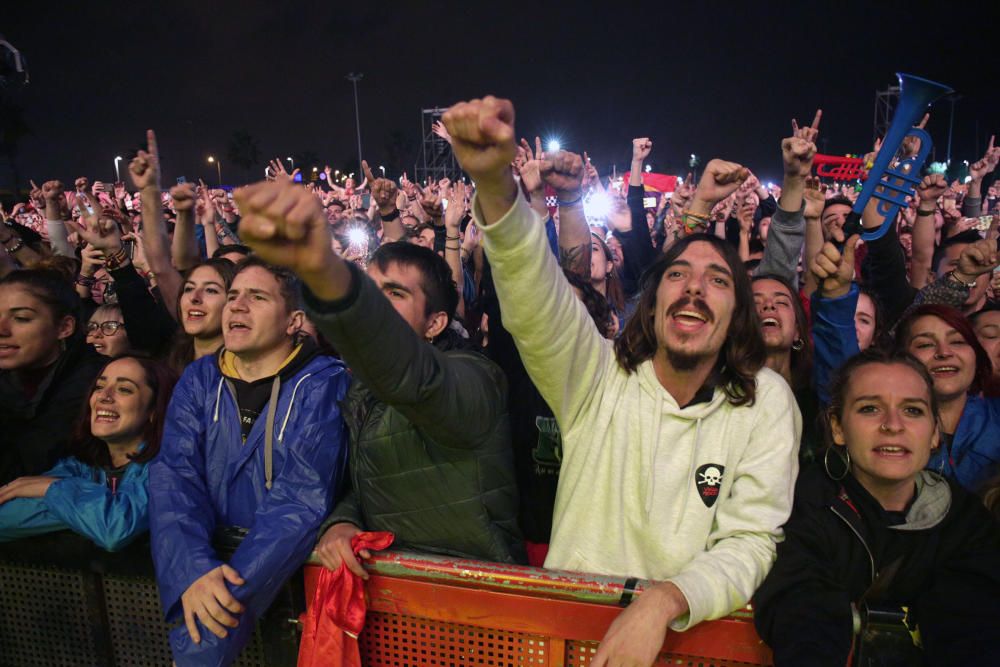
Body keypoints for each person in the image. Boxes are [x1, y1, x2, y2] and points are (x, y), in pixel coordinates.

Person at [440, 96, 800, 665]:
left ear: (737, 316)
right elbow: (536, 299)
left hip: (690, 644)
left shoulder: (766, 403)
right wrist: (493, 187)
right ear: (651, 305)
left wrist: (664, 603)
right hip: (566, 641)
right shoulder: (596, 376)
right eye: (677, 274)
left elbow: (752, 539)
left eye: (717, 281)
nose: (693, 289)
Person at [232, 180, 524, 571]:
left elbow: (416, 380)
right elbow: (378, 473)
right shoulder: (362, 388)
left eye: (395, 294)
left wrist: (329, 277)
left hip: (476, 596)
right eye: (370, 290)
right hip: (395, 596)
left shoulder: (475, 379)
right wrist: (344, 520)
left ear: (436, 323)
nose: (377, 304)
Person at [149, 257, 350, 666]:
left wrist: (212, 623)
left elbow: (299, 501)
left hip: (285, 589)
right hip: (201, 578)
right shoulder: (200, 378)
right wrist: (191, 570)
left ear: (294, 321)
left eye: (257, 297)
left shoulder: (326, 383)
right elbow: (175, 477)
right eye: (234, 295)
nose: (236, 306)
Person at [753, 349, 1000, 666]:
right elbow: (802, 610)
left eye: (912, 410)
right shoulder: (799, 506)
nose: (893, 425)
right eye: (870, 408)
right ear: (838, 427)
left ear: (935, 432)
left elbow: (973, 626)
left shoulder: (966, 523)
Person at [0, 355, 176, 549]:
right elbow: (5, 519)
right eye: (99, 387)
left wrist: (55, 490)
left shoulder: (169, 467)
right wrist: (90, 511)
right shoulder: (80, 467)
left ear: (155, 410)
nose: (104, 396)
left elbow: (115, 529)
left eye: (124, 389)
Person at [0, 269, 105, 485]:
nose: (2, 329)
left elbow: (23, 470)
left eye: (21, 318)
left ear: (64, 327)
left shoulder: (97, 382)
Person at [895, 304, 1000, 493]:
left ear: (976, 356)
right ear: (902, 359)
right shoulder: (885, 424)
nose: (944, 352)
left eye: (958, 342)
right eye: (925, 344)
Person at [166, 257, 237, 372]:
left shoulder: (242, 374)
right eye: (189, 288)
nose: (194, 298)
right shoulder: (169, 363)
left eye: (210, 290)